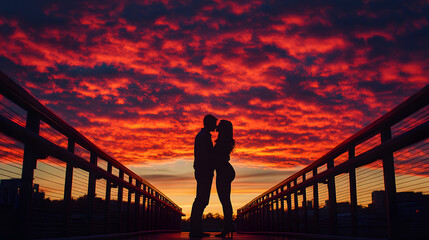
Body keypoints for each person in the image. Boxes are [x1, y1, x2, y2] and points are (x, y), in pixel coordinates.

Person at [189, 114, 217, 238]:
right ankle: (195, 230)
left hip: (203, 171)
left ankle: (195, 229)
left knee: (201, 200)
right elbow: (206, 155)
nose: (215, 126)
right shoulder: (203, 137)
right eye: (214, 123)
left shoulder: (203, 136)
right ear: (208, 123)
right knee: (201, 200)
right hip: (204, 171)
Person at [213, 120, 236, 238]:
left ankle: (227, 227)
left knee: (225, 201)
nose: (217, 128)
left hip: (224, 172)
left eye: (220, 126)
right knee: (226, 200)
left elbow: (218, 158)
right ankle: (228, 226)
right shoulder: (225, 140)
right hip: (225, 171)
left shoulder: (222, 141)